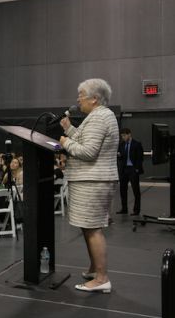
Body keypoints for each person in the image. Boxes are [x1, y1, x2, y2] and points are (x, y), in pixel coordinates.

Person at [59, 78, 119, 293]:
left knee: (93, 229)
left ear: (94, 99)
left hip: (93, 180)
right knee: (88, 227)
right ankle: (95, 268)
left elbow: (88, 151)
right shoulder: (97, 116)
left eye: (81, 95)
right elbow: (85, 140)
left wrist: (65, 142)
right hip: (91, 180)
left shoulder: (99, 117)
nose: (78, 100)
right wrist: (69, 129)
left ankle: (102, 278)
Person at [117, 128, 144, 215]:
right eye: (122, 136)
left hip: (133, 169)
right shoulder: (121, 145)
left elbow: (140, 158)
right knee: (122, 190)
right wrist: (119, 155)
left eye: (124, 135)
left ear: (129, 134)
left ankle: (136, 210)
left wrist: (137, 169)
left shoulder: (137, 144)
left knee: (136, 190)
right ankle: (124, 209)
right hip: (124, 170)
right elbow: (120, 157)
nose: (123, 137)